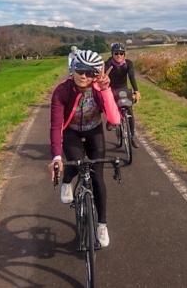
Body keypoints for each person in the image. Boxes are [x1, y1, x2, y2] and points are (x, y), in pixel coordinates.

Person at [48, 50, 120, 248]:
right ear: (73, 69)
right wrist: (56, 157)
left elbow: (114, 120)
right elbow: (55, 126)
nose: (83, 76)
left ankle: (102, 224)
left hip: (94, 130)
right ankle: (67, 181)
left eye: (90, 73)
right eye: (80, 70)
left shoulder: (99, 88)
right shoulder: (62, 91)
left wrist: (106, 91)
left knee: (97, 176)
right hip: (71, 131)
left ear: (95, 75)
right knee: (77, 162)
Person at [104, 42, 141, 148]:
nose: (119, 55)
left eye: (121, 53)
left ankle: (132, 137)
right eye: (116, 53)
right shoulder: (107, 64)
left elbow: (132, 77)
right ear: (112, 54)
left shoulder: (128, 63)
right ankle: (109, 120)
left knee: (129, 111)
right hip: (111, 88)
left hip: (123, 88)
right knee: (108, 103)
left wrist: (136, 91)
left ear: (124, 54)